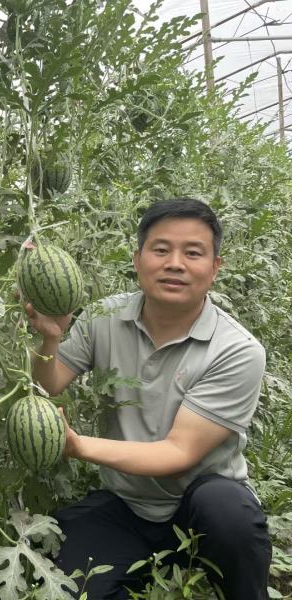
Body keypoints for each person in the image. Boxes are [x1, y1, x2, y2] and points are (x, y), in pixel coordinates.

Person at [24, 198, 272, 599]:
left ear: (214, 269)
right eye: (161, 250)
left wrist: (76, 445)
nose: (175, 263)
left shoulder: (237, 350)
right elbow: (48, 385)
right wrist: (50, 338)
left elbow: (178, 453)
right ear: (137, 259)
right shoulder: (103, 319)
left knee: (229, 512)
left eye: (193, 253)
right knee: (63, 583)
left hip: (200, 506)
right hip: (126, 504)